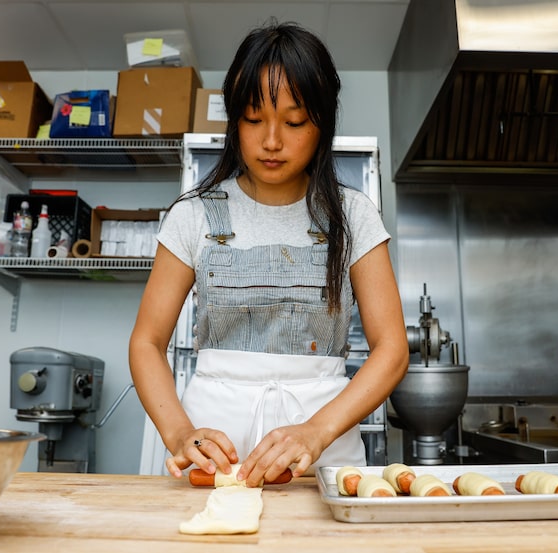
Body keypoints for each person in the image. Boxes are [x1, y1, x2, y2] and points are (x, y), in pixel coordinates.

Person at [128, 20, 409, 487]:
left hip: (324, 441)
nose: (272, 140)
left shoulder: (353, 215)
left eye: (294, 122)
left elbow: (392, 349)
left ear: (322, 124)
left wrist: (316, 432)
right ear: (234, 120)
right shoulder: (193, 215)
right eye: (254, 119)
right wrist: (179, 432)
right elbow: (146, 342)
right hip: (216, 447)